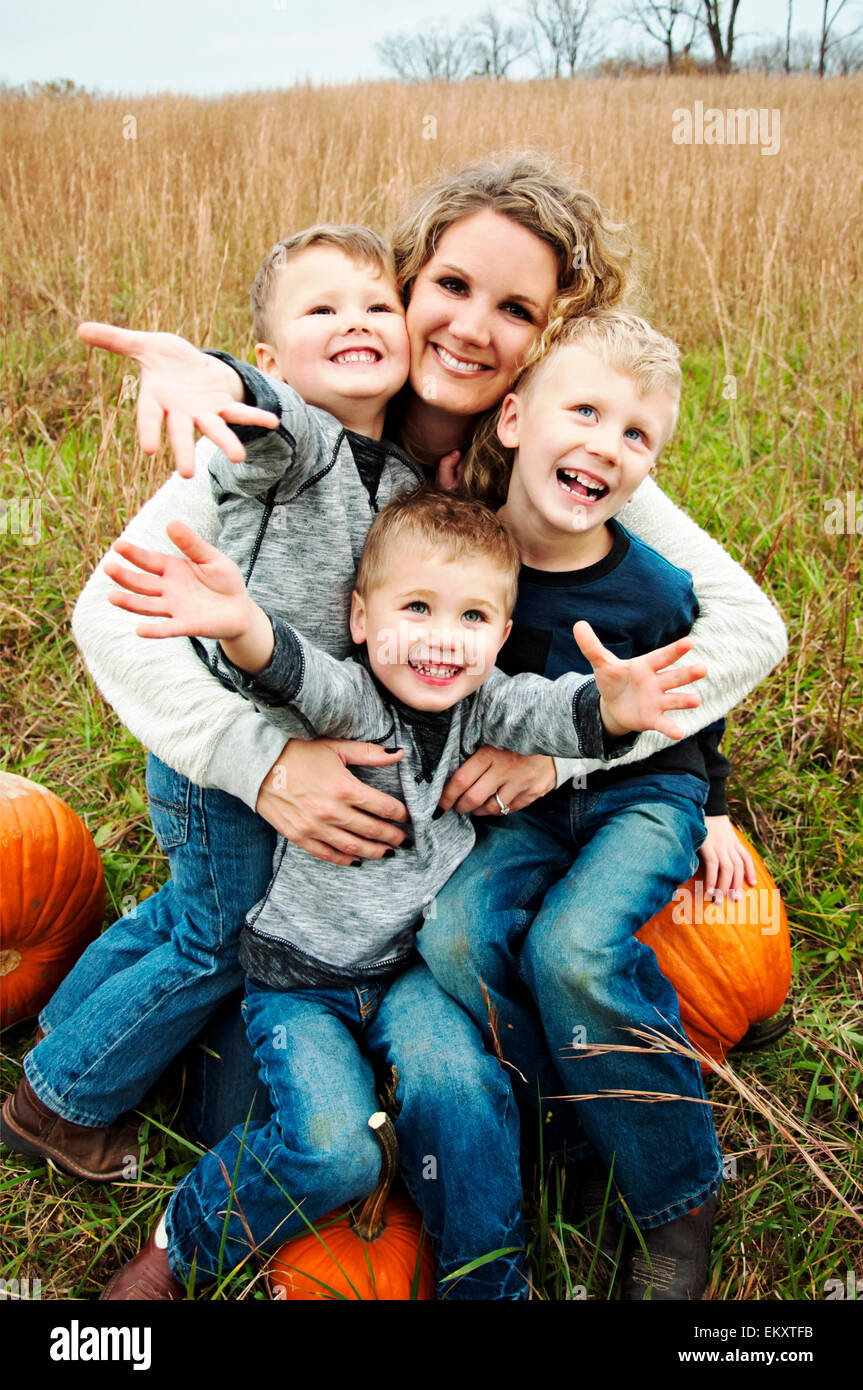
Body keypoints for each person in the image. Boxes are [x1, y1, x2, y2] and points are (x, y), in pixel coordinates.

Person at [5, 154, 785, 1173]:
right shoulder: (297, 425)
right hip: (262, 782)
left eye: (513, 309)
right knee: (227, 1065)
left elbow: (746, 627)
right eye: (451, 287)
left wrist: (563, 761)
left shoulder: (559, 441)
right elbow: (106, 614)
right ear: (407, 280)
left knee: (288, 1058)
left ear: (545, 338)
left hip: (408, 832)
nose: (469, 328)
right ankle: (70, 1060)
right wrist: (263, 766)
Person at [98, 482, 707, 1299]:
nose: (442, 641)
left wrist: (616, 705)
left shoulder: (486, 704)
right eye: (415, 607)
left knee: (456, 1088)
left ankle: (486, 1285)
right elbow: (293, 672)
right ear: (360, 620)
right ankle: (179, 1246)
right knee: (333, 1149)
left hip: (409, 978)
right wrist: (240, 623)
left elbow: (554, 712)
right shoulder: (350, 700)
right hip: (301, 982)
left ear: (500, 633)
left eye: (472, 619)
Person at [419, 308, 746, 1300]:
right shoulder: (474, 569)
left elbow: (692, 707)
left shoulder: (650, 587)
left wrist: (716, 810)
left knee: (572, 947)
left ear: (649, 468)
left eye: (634, 434)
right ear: (511, 419)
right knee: (456, 938)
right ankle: (567, 1119)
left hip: (641, 793)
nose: (604, 443)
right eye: (585, 411)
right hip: (524, 810)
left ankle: (677, 1196)